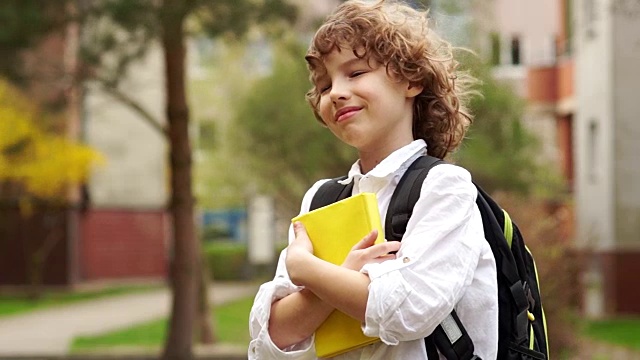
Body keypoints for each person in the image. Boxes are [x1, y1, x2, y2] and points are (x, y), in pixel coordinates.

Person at [249, 0, 498, 358]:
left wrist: (307, 269)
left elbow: (409, 312)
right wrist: (342, 277)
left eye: (355, 73)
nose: (335, 92)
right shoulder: (322, 199)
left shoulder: (444, 187)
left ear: (410, 79)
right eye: (323, 85)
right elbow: (272, 338)